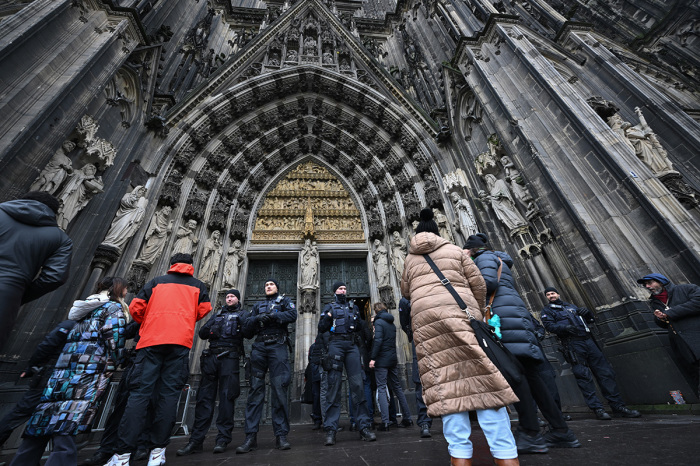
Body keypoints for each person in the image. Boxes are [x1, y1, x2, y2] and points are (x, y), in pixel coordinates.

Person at [401, 209, 519, 466]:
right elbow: (478, 283)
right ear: (438, 231)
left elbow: (406, 292)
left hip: (428, 326)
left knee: (445, 387)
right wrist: (473, 312)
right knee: (485, 381)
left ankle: (460, 459)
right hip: (462, 318)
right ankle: (506, 458)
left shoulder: (410, 260)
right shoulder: (455, 250)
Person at [465, 233, 580, 453]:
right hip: (515, 320)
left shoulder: (485, 258)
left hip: (507, 323)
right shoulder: (497, 260)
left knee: (516, 377)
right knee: (533, 378)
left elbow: (487, 283)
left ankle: (530, 433)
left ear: (472, 250)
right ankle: (561, 431)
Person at [105, 253, 212, 466]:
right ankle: (157, 451)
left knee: (139, 395)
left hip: (151, 342)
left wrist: (155, 318)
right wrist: (183, 319)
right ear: (191, 266)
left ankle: (123, 454)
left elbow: (136, 308)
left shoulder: (156, 282)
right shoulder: (198, 286)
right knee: (169, 396)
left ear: (171, 265)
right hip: (179, 343)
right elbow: (204, 310)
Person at [10, 277, 129, 466]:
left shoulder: (83, 310)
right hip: (87, 372)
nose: (127, 292)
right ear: (118, 289)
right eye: (125, 289)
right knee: (68, 422)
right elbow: (113, 340)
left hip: (62, 371)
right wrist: (122, 359)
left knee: (43, 421)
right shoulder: (113, 309)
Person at [541, 286, 641, 420]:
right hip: (572, 344)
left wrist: (588, 314)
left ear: (558, 294)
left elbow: (589, 321)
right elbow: (549, 326)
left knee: (605, 373)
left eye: (552, 293)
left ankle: (618, 406)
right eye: (548, 294)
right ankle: (597, 409)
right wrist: (564, 328)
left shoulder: (571, 306)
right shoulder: (547, 311)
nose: (551, 296)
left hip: (588, 341)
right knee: (583, 376)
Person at [177, 289, 248, 455]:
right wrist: (212, 330)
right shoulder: (217, 315)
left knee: (227, 398)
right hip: (211, 357)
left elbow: (248, 331)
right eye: (227, 296)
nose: (229, 298)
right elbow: (202, 333)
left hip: (230, 357)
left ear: (238, 299)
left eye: (232, 296)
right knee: (204, 398)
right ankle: (195, 440)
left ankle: (222, 439)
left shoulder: (243, 314)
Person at [0, 191, 72, 349]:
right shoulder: (60, 238)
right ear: (54, 212)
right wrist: (18, 294)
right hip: (8, 293)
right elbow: (55, 277)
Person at [236, 279, 297, 453]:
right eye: (266, 285)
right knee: (255, 391)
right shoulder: (257, 306)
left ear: (277, 287)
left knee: (279, 390)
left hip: (278, 346)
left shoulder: (284, 302)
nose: (268, 286)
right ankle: (250, 437)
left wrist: (274, 316)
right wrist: (255, 319)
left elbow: (293, 315)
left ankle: (281, 435)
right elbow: (247, 332)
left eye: (271, 284)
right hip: (260, 348)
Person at [0, 319, 76, 449]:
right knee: (23, 413)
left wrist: (32, 366)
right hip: (53, 375)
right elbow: (46, 346)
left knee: (39, 416)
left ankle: (28, 458)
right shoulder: (72, 326)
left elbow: (45, 346)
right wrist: (32, 366)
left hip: (53, 374)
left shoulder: (70, 326)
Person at [318, 282, 376, 446]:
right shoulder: (329, 307)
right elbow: (321, 328)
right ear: (334, 291)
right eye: (340, 289)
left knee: (358, 386)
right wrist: (328, 317)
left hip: (351, 346)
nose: (343, 291)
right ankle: (331, 429)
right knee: (334, 387)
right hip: (335, 345)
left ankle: (363, 426)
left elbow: (359, 327)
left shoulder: (354, 308)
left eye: (344, 288)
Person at [639, 273, 700, 397]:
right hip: (682, 344)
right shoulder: (655, 302)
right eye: (646, 285)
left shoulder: (686, 289)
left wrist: (670, 312)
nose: (648, 286)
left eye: (650, 283)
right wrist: (659, 318)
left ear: (661, 282)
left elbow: (697, 303)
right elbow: (664, 324)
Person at [370, 302, 413, 431]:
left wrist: (373, 358)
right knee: (398, 388)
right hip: (392, 359)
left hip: (382, 360)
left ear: (376, 311)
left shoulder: (378, 322)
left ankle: (386, 422)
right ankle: (407, 418)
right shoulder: (391, 323)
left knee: (382, 388)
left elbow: (378, 341)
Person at [398, 298, 432, 438]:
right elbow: (404, 321)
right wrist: (412, 333)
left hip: (436, 335)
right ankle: (424, 421)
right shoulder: (406, 299)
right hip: (420, 338)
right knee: (420, 380)